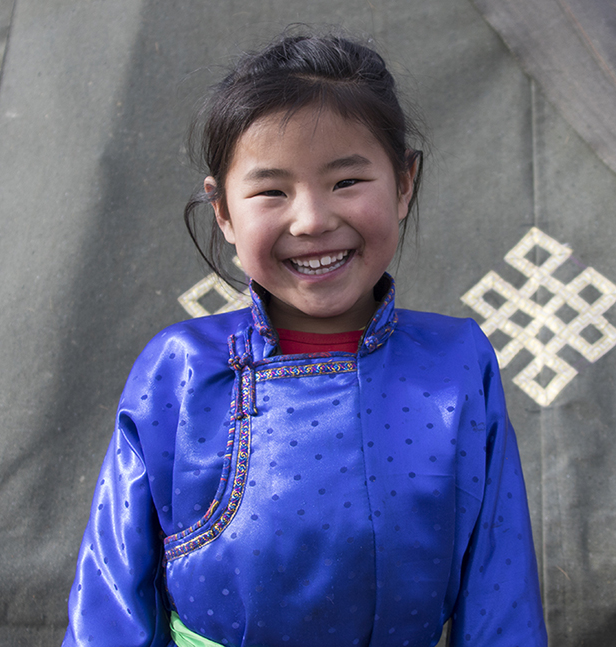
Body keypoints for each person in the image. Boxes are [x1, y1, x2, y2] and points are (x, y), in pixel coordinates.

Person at [62, 30, 547, 647]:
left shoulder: (457, 364)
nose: (313, 219)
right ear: (223, 212)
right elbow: (112, 589)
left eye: (347, 182)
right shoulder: (180, 369)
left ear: (404, 184)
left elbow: (499, 584)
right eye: (271, 191)